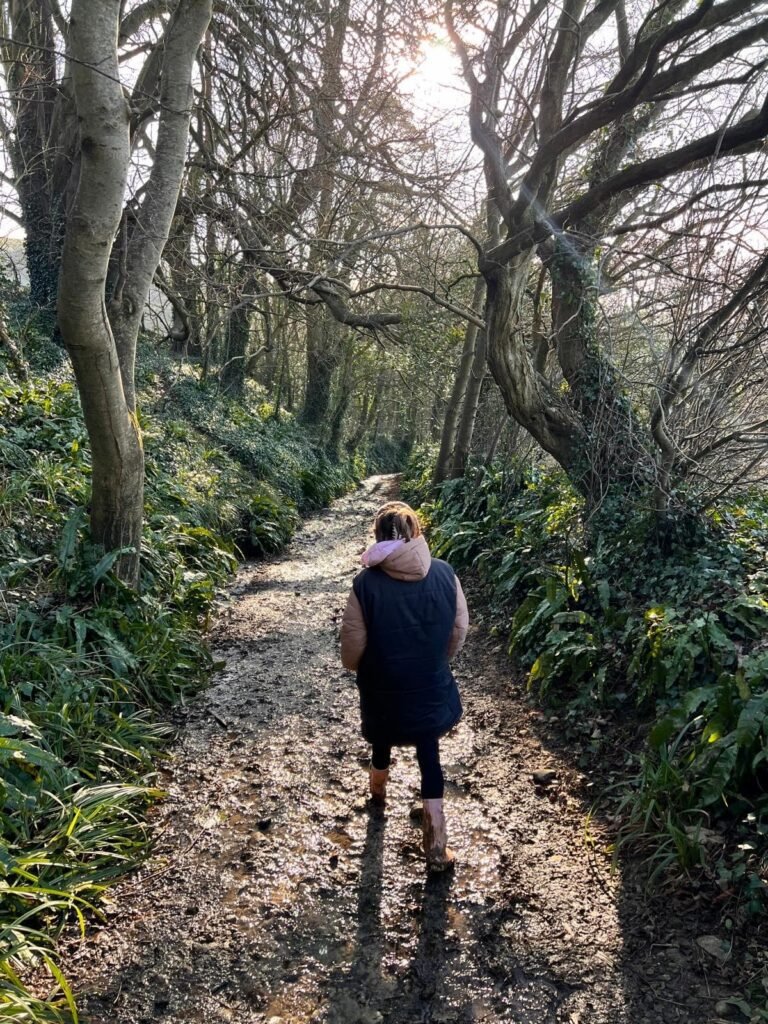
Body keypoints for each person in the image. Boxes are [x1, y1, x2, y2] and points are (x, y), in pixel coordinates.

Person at [340, 500, 468, 871]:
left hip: (382, 685)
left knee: (381, 738)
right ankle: (436, 846)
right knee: (430, 755)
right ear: (415, 533)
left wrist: (356, 668)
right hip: (429, 682)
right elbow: (459, 629)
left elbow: (352, 645)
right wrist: (437, 660)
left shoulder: (365, 584)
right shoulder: (445, 573)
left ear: (378, 537)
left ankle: (377, 797)